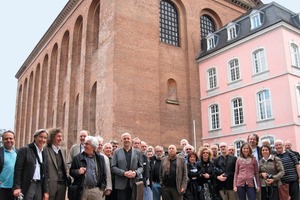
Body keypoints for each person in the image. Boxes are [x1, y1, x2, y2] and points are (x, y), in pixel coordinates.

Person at [13, 129, 49, 200]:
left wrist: (46, 191)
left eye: (45, 138)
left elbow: (46, 173)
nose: (43, 139)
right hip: (28, 184)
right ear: (35, 137)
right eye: (41, 137)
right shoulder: (25, 150)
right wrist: (17, 187)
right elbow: (18, 170)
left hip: (39, 185)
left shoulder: (44, 152)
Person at [69, 136, 107, 200]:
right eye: (84, 144)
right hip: (82, 190)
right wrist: (78, 171)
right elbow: (71, 171)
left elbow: (103, 174)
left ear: (93, 146)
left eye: (87, 144)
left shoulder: (100, 158)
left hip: (96, 190)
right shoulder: (77, 158)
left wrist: (101, 188)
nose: (84, 146)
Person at [111, 132, 143, 200]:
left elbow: (141, 167)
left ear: (131, 140)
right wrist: (124, 173)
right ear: (121, 140)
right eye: (124, 138)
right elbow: (113, 167)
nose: (126, 140)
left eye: (128, 138)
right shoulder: (117, 152)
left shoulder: (138, 152)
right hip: (121, 184)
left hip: (134, 183)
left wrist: (136, 173)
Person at [43, 128, 68, 200]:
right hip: (50, 186)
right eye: (58, 136)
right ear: (52, 137)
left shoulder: (63, 150)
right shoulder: (45, 150)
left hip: (62, 185)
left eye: (61, 136)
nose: (60, 138)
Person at [0, 130, 17, 200]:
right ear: (2, 140)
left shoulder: (18, 152)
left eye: (11, 138)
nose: (9, 140)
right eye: (6, 139)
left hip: (15, 189)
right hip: (2, 188)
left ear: (14, 139)